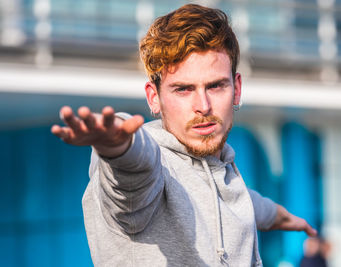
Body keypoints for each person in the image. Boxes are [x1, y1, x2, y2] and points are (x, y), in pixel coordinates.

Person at [51, 4, 317, 266]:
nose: (203, 105)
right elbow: (134, 176)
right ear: (154, 98)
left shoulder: (222, 169)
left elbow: (240, 199)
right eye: (183, 89)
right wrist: (117, 147)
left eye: (215, 86)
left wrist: (278, 216)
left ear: (236, 89)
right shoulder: (151, 165)